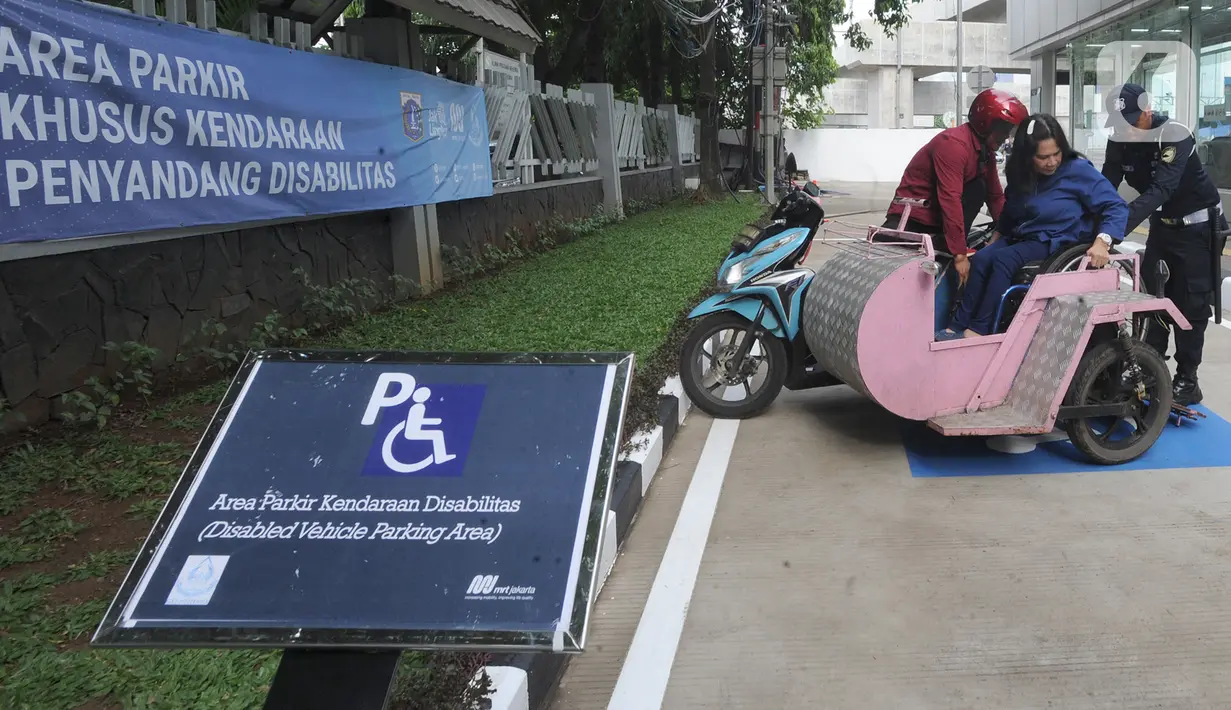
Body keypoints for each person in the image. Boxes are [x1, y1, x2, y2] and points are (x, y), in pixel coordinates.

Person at [937, 114, 1128, 340]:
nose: (1052, 162)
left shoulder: (1077, 170)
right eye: (1043, 157)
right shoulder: (1021, 174)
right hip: (1023, 236)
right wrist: (994, 240)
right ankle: (956, 325)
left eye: (1056, 153)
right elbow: (1010, 211)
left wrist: (1102, 242)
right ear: (1027, 156)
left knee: (1003, 261)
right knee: (980, 259)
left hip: (1056, 240)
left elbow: (1115, 205)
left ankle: (979, 330)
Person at [1101, 83, 1226, 406]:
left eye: (1130, 120)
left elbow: (1162, 189)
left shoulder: (1173, 135)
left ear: (1147, 110)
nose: (1124, 128)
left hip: (1196, 229)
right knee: (1152, 299)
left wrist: (1114, 231)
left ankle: (1187, 379)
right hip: (1162, 227)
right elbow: (1104, 185)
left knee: (1190, 304)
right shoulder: (1120, 141)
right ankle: (1150, 368)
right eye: (1118, 122)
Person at [882, 88, 1029, 283]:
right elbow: (950, 198)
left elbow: (995, 196)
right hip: (913, 219)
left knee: (981, 189)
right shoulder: (953, 145)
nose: (1006, 136)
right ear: (986, 123)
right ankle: (949, 247)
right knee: (977, 189)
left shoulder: (986, 154)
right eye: (1003, 128)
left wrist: (1010, 230)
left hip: (937, 222)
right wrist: (959, 255)